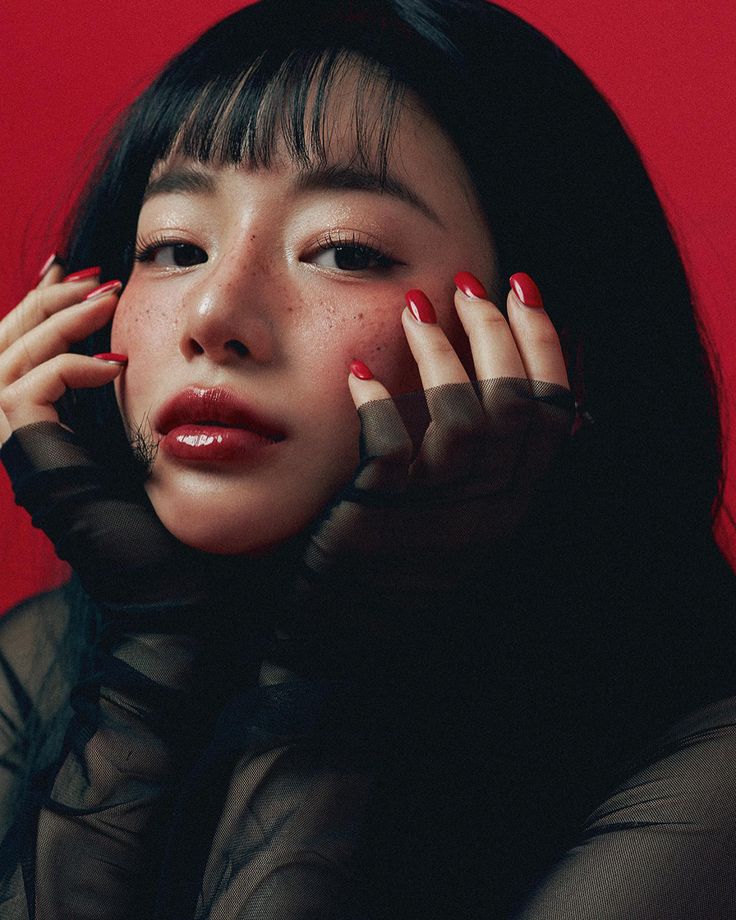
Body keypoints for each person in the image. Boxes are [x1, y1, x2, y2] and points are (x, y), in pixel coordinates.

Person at [1, 0, 735, 917]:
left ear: (557, 346)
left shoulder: (705, 765)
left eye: (344, 251)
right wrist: (148, 660)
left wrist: (321, 700)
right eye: (174, 248)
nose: (212, 317)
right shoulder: (46, 663)